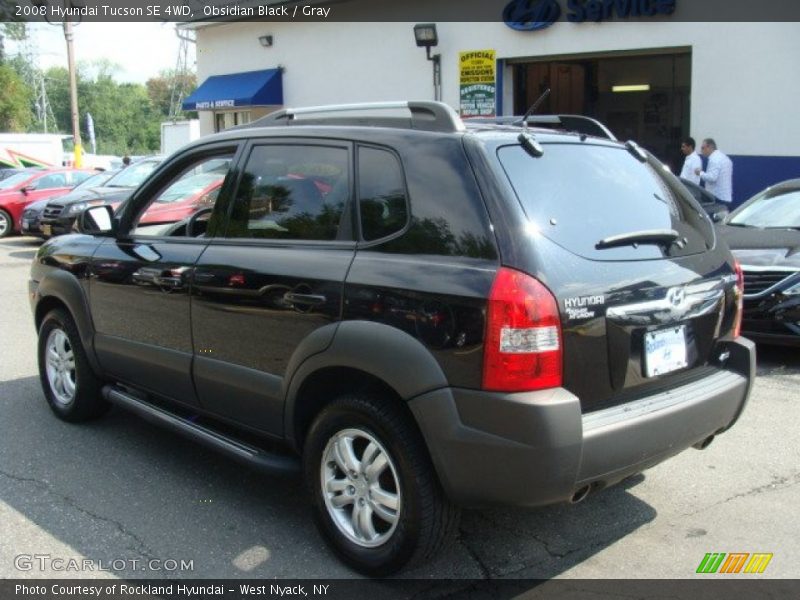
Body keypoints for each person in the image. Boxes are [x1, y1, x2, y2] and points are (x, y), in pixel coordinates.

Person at [695, 138, 733, 203]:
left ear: (709, 147)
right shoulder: (725, 158)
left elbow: (712, 178)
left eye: (702, 148)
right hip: (726, 196)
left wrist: (700, 173)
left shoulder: (714, 159)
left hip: (716, 197)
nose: (701, 151)